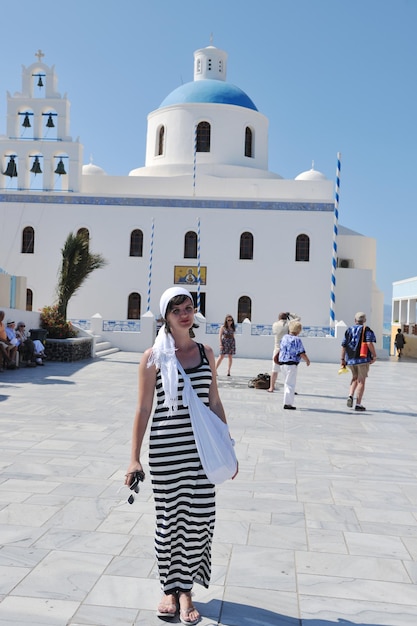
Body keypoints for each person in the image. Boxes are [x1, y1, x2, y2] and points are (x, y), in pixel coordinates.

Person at [125, 287, 236, 624]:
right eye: (177, 310)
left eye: (189, 308)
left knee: (199, 521)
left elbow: (214, 401)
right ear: (166, 317)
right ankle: (170, 589)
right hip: (166, 451)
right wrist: (134, 458)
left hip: (203, 452)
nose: (185, 314)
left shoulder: (206, 352)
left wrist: (227, 448)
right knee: (169, 522)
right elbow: (144, 407)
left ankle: (186, 588)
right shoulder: (153, 357)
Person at [340, 311, 377, 412]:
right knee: (361, 381)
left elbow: (343, 345)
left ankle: (350, 395)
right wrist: (374, 355)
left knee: (354, 378)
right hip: (363, 358)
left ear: (355, 320)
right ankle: (358, 404)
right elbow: (369, 343)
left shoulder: (348, 330)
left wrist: (342, 359)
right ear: (364, 320)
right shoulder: (366, 330)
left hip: (351, 360)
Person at [276, 320, 310, 409]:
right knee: (290, 384)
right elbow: (301, 352)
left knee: (287, 383)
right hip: (291, 364)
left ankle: (287, 401)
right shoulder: (297, 339)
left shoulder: (284, 337)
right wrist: (307, 360)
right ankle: (288, 403)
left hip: (282, 363)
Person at [268, 311, 300, 392]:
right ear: (286, 317)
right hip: (286, 351)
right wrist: (291, 314)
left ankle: (271, 387)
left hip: (277, 349)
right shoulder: (289, 324)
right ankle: (290, 389)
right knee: (288, 371)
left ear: (279, 318)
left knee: (274, 370)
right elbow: (298, 319)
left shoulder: (274, 324)